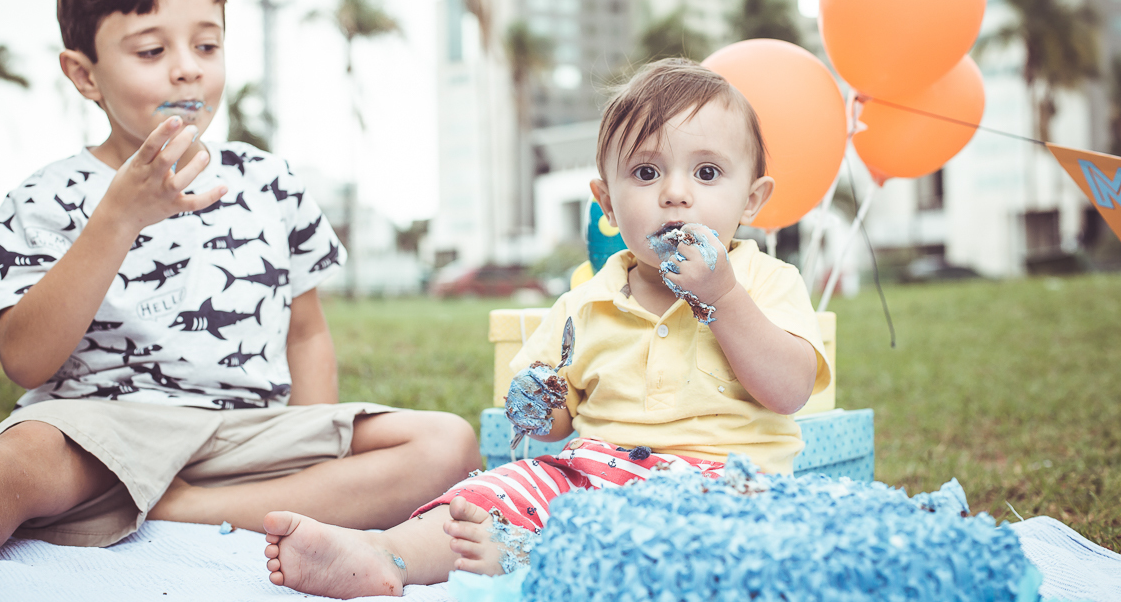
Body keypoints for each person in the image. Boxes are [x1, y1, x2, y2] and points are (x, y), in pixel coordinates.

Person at [0, 0, 480, 578]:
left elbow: (306, 333)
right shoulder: (44, 198)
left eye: (207, 45)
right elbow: (25, 360)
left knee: (446, 442)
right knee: (18, 465)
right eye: (152, 50)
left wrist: (312, 448)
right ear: (83, 74)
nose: (187, 68)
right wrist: (118, 217)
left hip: (247, 434)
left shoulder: (269, 181)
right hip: (98, 431)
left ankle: (183, 509)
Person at [258, 58, 834, 598]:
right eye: (646, 171)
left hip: (721, 488)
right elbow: (553, 423)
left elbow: (788, 391)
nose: (675, 192)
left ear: (752, 200)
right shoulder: (584, 304)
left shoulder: (765, 281)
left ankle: (539, 555)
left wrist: (723, 298)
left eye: (706, 172)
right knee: (496, 494)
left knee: (711, 548)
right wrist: (538, 400)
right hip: (593, 477)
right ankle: (389, 553)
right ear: (607, 202)